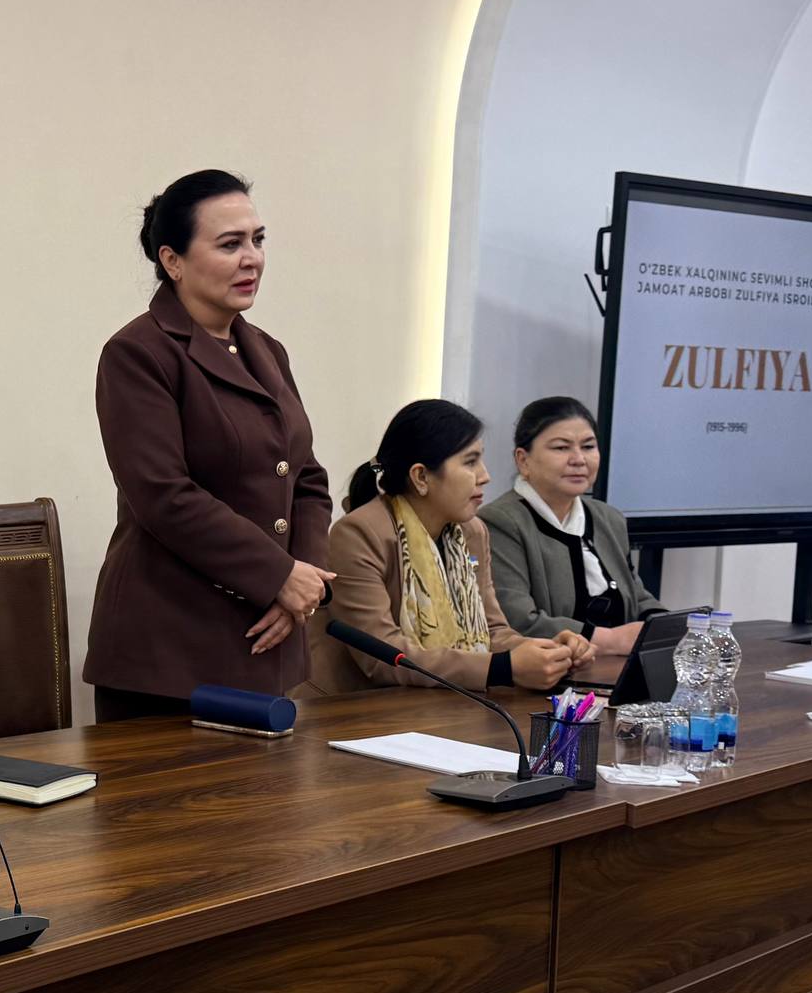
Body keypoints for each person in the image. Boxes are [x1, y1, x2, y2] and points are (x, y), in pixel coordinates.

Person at [85, 169, 335, 721]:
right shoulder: (138, 352)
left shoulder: (267, 350)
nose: (252, 259)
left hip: (265, 641)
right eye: (230, 244)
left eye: (258, 240)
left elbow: (307, 479)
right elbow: (164, 495)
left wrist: (304, 580)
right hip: (170, 653)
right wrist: (278, 576)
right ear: (172, 260)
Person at [301, 400, 586, 697]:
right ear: (421, 477)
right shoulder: (359, 534)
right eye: (470, 462)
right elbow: (383, 655)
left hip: (443, 701)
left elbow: (493, 632)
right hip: (357, 706)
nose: (485, 475)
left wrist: (547, 653)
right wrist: (503, 668)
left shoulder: (472, 531)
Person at [478, 397, 664, 653]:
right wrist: (611, 640)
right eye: (561, 448)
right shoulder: (499, 522)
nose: (579, 459)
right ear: (523, 460)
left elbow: (636, 596)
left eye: (588, 446)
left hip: (619, 666)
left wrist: (667, 626)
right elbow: (516, 621)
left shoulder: (608, 518)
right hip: (550, 669)